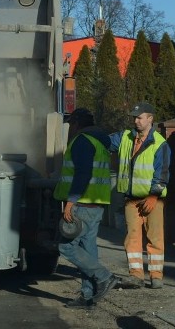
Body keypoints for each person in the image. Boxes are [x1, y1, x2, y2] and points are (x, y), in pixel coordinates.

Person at [54, 108, 120, 309]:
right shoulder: (101, 141)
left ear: (76, 124)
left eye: (71, 125)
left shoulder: (83, 141)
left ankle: (104, 276)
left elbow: (82, 174)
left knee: (66, 247)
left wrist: (71, 201)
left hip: (82, 203)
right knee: (88, 250)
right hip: (97, 203)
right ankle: (88, 296)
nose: (70, 129)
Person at [109, 101, 171, 289]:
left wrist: (154, 196)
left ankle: (156, 276)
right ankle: (135, 275)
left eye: (139, 117)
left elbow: (163, 174)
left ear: (150, 119)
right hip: (131, 199)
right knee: (132, 238)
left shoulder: (160, 144)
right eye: (134, 117)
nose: (135, 121)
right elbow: (106, 142)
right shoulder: (125, 138)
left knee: (155, 238)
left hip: (152, 199)